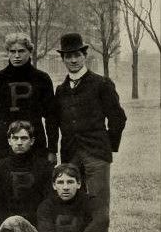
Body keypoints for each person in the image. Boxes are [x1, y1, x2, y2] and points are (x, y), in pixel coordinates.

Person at [54, 32, 126, 215]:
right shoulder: (61, 90)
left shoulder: (101, 84)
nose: (73, 60)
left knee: (98, 207)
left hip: (96, 155)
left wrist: (107, 145)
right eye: (68, 56)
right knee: (73, 207)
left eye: (77, 55)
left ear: (84, 56)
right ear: (63, 59)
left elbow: (118, 117)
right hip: (70, 154)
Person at [0, 33, 58, 161]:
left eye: (21, 51)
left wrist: (52, 150)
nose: (17, 56)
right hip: (3, 142)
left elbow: (51, 117)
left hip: (34, 140)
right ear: (8, 53)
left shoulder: (41, 78)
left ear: (29, 52)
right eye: (12, 51)